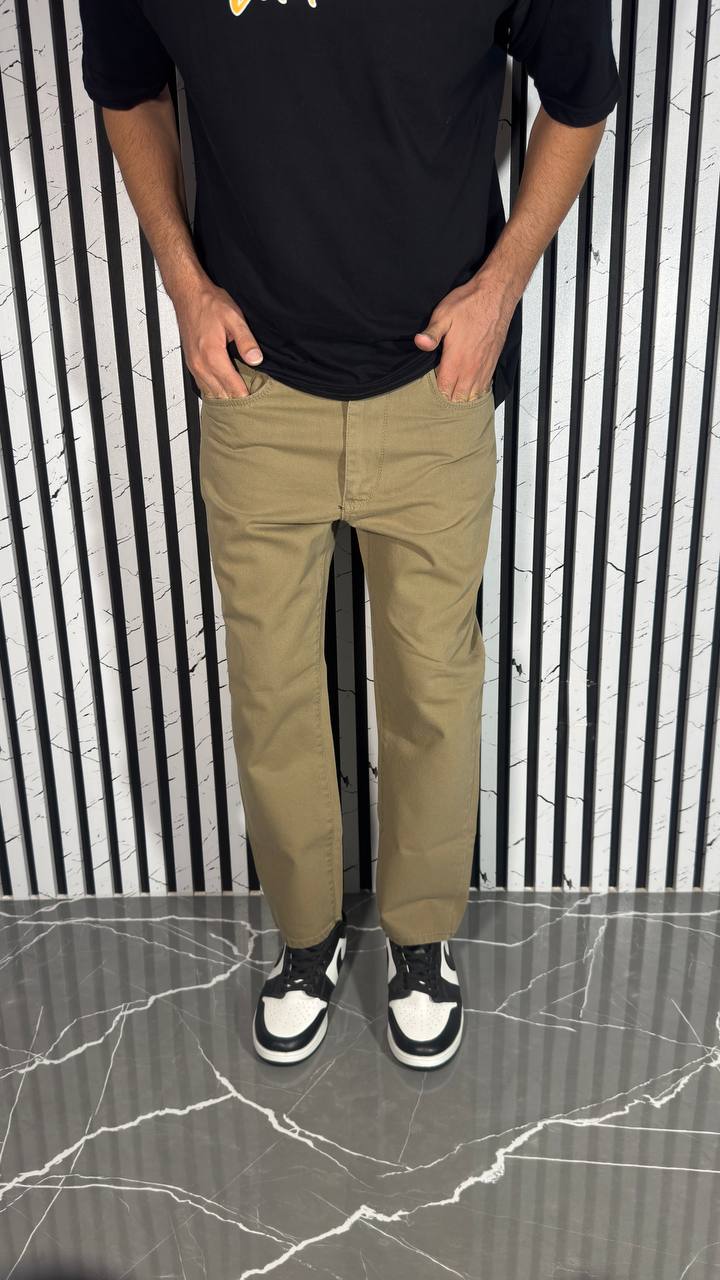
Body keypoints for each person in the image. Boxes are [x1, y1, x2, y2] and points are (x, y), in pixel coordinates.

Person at [79, 0, 621, 1071]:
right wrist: (185, 286)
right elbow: (126, 85)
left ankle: (421, 940)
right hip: (251, 380)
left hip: (435, 375)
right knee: (272, 687)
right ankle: (306, 937)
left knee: (433, 681)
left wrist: (501, 287)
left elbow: (581, 93)